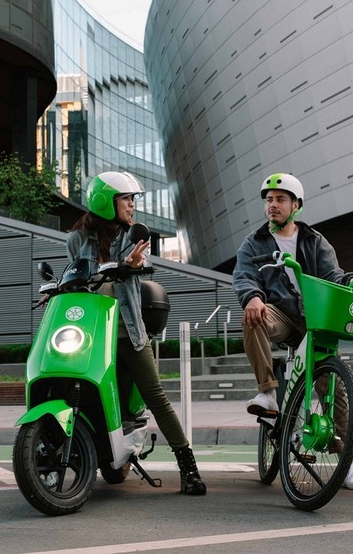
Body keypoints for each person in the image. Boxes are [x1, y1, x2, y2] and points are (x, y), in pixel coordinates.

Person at [67, 171, 206, 496]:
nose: (132, 205)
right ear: (106, 202)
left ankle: (188, 466)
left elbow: (140, 263)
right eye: (126, 199)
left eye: (132, 199)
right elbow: (75, 276)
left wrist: (132, 264)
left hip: (127, 332)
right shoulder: (76, 240)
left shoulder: (134, 236)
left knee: (155, 396)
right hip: (92, 335)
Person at [232, 172, 353, 490]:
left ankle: (345, 462)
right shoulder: (254, 242)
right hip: (279, 314)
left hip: (314, 318)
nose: (273, 204)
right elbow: (244, 274)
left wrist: (351, 281)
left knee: (335, 390)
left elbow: (332, 274)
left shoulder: (314, 241)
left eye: (280, 199)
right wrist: (252, 296)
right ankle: (268, 393)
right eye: (269, 200)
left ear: (296, 206)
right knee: (252, 317)